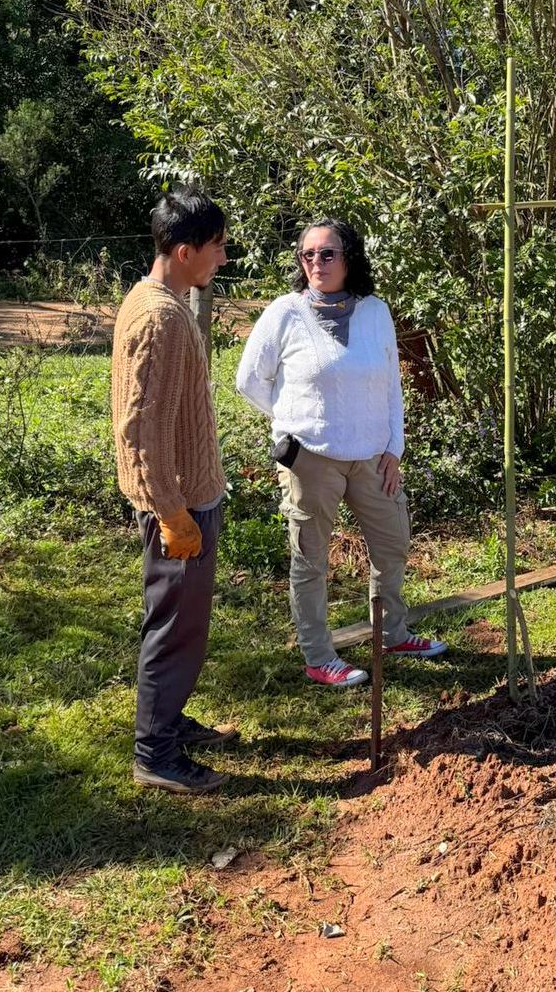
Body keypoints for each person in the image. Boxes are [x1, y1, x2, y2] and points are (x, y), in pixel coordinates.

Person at [236, 217, 445, 688]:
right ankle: (318, 655)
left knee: (392, 544)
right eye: (307, 255)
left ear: (349, 257)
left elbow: (392, 385)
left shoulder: (375, 312)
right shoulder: (285, 312)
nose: (316, 263)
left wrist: (394, 447)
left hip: (372, 457)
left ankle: (391, 632)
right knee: (310, 559)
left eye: (327, 253)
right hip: (311, 459)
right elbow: (249, 381)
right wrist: (293, 422)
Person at [111, 187, 238, 795]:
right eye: (215, 247)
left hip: (188, 495)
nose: (222, 256)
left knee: (182, 624)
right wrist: (172, 513)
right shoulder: (159, 317)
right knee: (174, 627)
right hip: (179, 505)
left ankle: (169, 721)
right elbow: (140, 428)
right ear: (185, 251)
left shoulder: (161, 299)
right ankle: (154, 753)